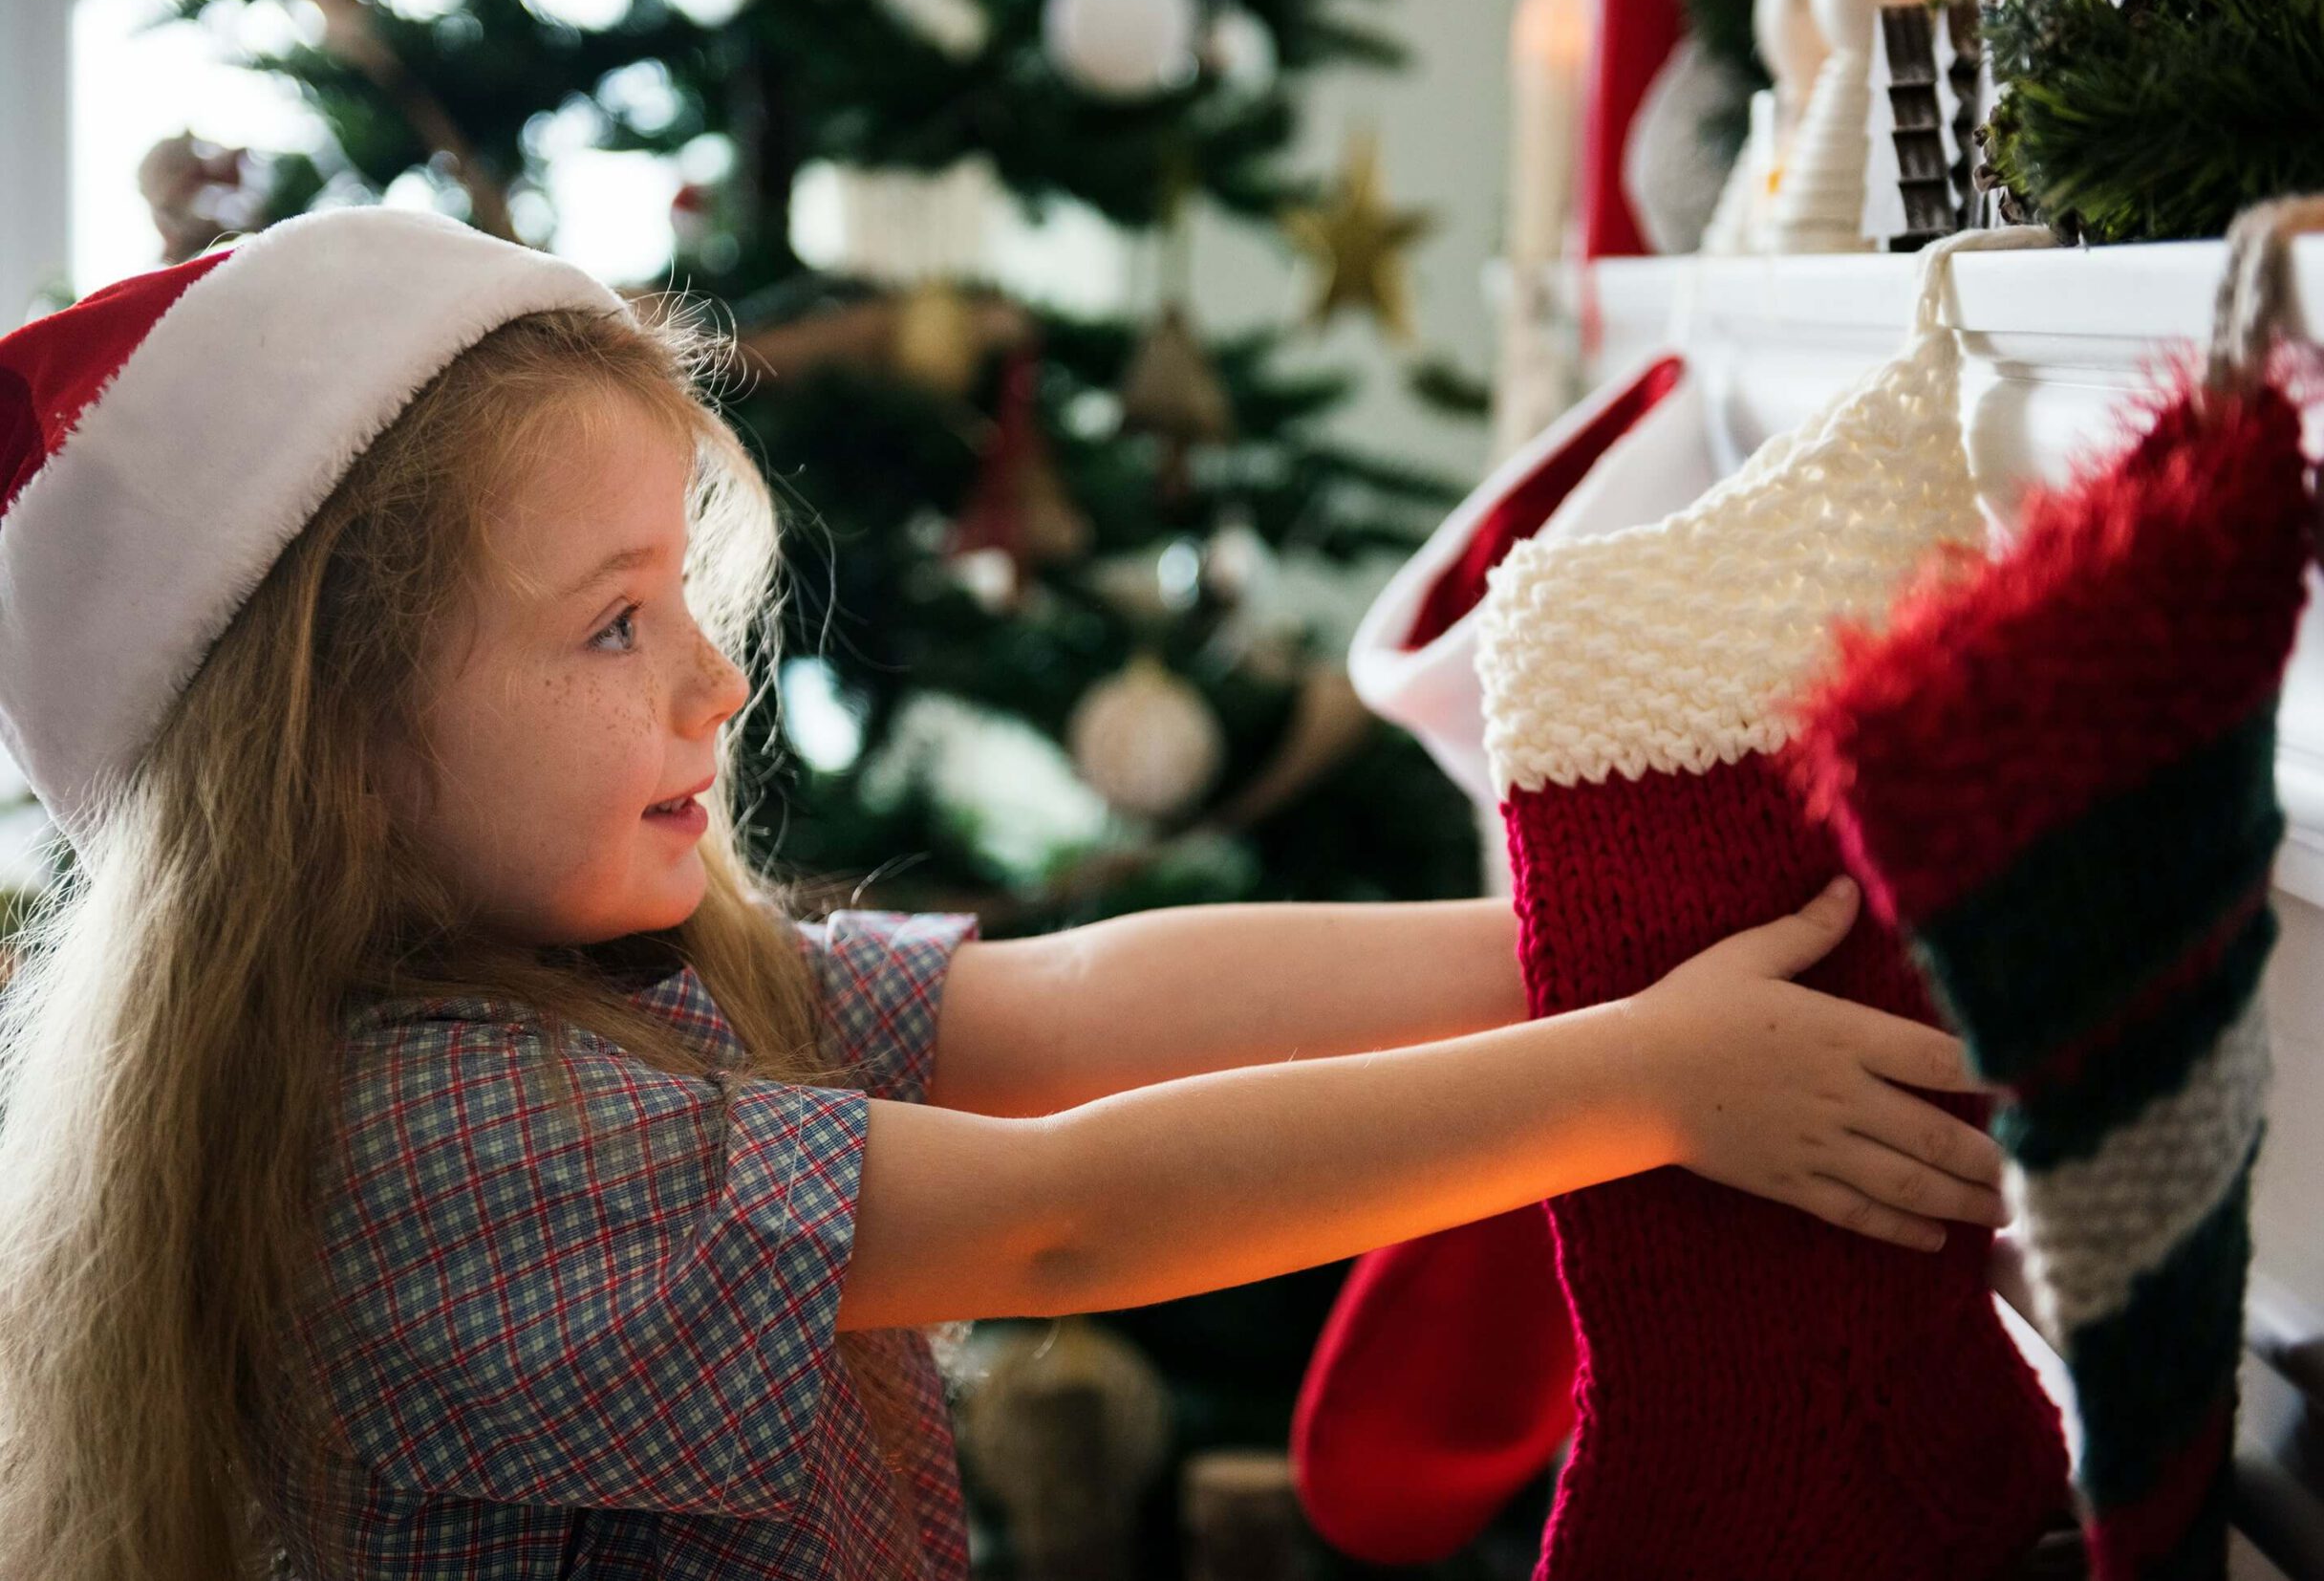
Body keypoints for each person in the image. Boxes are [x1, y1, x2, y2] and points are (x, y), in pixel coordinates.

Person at [0, 207, 2010, 1581]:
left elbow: (1060, 1016)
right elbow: (1063, 1221)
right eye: (616, 626)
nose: (713, 681)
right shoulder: (420, 1132)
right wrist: (1646, 1083)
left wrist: (1591, 959)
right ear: (334, 746)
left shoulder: (597, 973)